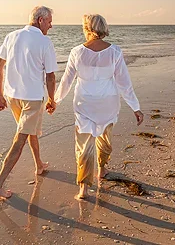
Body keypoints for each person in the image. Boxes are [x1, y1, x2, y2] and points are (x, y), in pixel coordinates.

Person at [54, 14, 144, 200]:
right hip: (108, 103)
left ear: (87, 28)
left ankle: (84, 189)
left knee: (84, 145)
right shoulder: (115, 52)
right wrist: (135, 107)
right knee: (104, 138)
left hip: (84, 103)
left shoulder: (77, 52)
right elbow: (124, 83)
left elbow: (66, 82)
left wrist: (55, 100)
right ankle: (102, 169)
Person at [0, 6, 58, 199]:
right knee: (20, 140)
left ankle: (39, 165)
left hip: (13, 97)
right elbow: (51, 76)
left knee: (30, 131)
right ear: (40, 20)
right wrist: (52, 99)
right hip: (32, 99)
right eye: (49, 21)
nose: (51, 25)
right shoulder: (45, 42)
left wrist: (0, 95)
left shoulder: (11, 36)